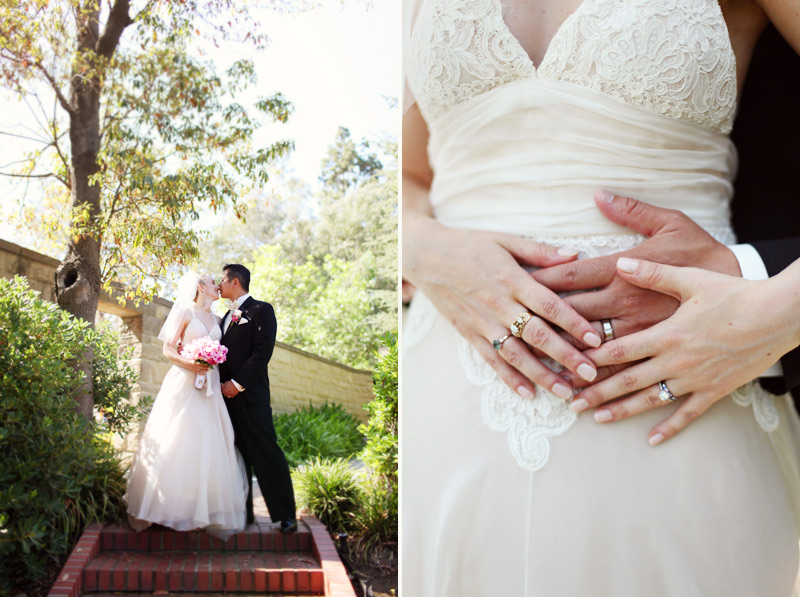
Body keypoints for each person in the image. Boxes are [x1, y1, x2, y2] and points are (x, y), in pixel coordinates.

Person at [401, 0, 800, 594]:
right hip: (447, 399)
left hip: (687, 388)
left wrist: (769, 312)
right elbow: (410, 175)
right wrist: (427, 250)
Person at [126, 272, 247, 539]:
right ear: (201, 287)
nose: (218, 287)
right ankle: (166, 507)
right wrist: (190, 363)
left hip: (211, 386)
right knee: (179, 438)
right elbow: (168, 349)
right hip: (184, 381)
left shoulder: (219, 320)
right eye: (213, 283)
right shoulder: (185, 312)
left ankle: (202, 511)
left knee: (210, 443)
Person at [217, 263, 297, 533]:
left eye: (222, 280)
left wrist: (237, 384)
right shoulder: (223, 319)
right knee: (237, 456)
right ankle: (245, 513)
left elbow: (262, 352)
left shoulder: (261, 310)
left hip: (251, 397)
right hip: (225, 401)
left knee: (266, 451)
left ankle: (286, 515)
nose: (219, 285)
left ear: (235, 282)